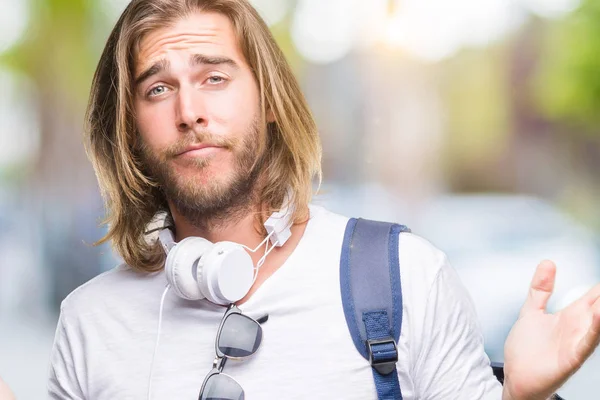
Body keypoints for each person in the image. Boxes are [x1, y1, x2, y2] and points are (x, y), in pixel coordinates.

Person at [48, 0, 600, 399]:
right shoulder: (89, 323)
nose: (189, 111)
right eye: (158, 88)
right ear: (130, 131)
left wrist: (523, 399)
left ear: (269, 101)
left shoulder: (403, 276)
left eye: (215, 77)